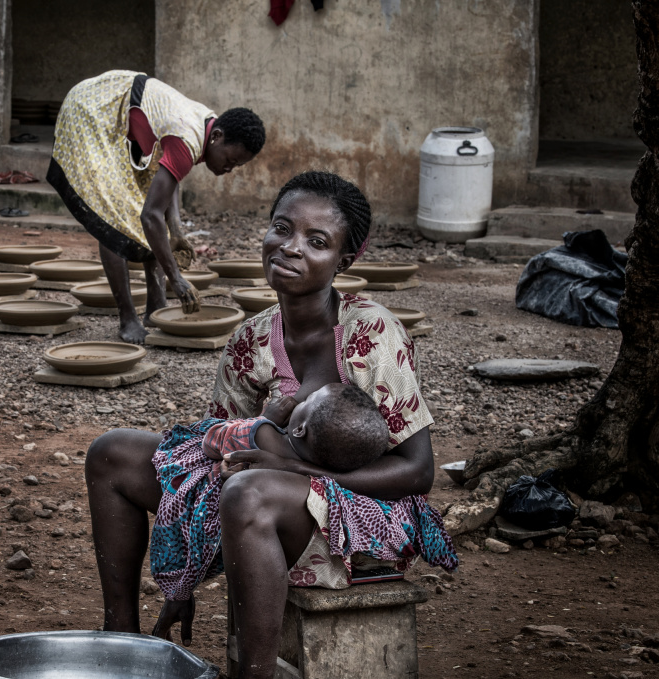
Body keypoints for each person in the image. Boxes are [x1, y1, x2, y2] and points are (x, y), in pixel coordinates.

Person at [85, 170, 457, 679]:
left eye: (316, 241)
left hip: (363, 509)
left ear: (343, 261)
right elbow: (212, 451)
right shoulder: (249, 341)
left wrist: (292, 468)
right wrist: (182, 576)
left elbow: (417, 473)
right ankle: (122, 643)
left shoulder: (372, 334)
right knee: (112, 454)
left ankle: (252, 675)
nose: (290, 247)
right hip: (255, 493)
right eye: (282, 228)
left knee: (250, 492)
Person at [47, 70, 265, 343]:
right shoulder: (189, 136)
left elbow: (169, 176)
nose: (229, 169)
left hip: (123, 111)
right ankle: (128, 317)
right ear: (217, 137)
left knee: (149, 207)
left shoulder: (205, 126)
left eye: (237, 166)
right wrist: (175, 276)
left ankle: (155, 307)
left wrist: (176, 231)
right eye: (230, 160)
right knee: (112, 219)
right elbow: (150, 216)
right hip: (92, 108)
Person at [150, 383, 391, 602]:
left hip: (223, 523)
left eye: (308, 400)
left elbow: (211, 442)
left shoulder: (262, 435)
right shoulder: (326, 469)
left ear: (299, 430)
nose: (301, 398)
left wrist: (263, 419)